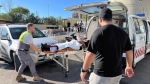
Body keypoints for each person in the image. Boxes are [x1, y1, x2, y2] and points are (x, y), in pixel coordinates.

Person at [80, 8, 134, 84]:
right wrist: (129, 66)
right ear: (111, 19)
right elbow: (129, 51)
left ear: (100, 20)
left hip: (101, 75)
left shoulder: (98, 32)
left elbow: (90, 54)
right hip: (117, 74)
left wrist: (84, 70)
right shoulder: (123, 33)